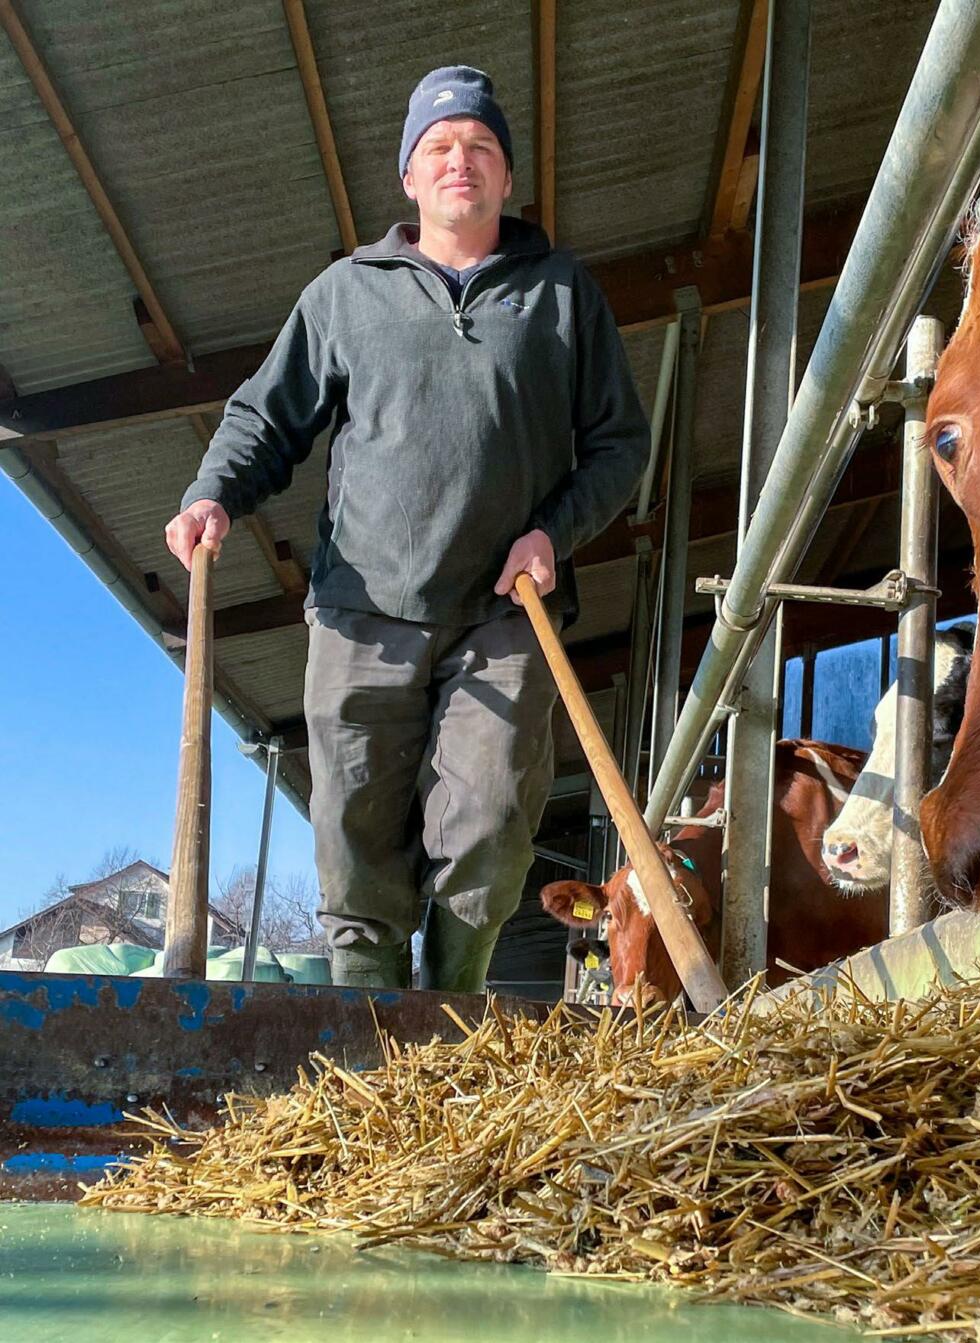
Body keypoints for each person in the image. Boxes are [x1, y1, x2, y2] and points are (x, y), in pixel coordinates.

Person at [164, 66, 649, 991]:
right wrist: (213, 492)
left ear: (507, 178)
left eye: (480, 148)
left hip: (506, 615)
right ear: (410, 178)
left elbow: (620, 444)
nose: (459, 161)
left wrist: (554, 533)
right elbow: (265, 417)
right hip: (361, 611)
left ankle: (449, 1016)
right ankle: (366, 1053)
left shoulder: (559, 293)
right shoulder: (347, 293)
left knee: (495, 824)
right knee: (356, 845)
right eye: (439, 147)